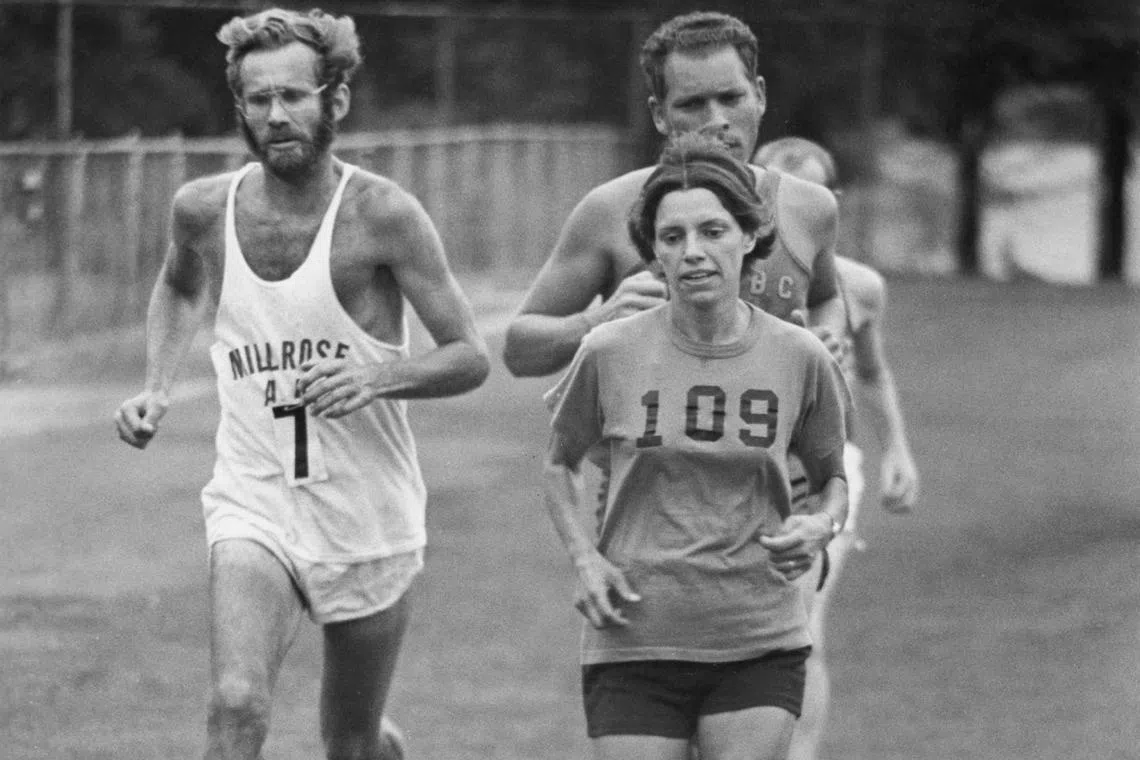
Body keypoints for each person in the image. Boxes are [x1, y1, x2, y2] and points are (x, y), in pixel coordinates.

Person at [113, 9, 490, 760]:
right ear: (240, 108)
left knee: (349, 741)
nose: (276, 116)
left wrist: (377, 377)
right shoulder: (202, 209)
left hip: (366, 513)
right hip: (255, 499)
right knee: (236, 704)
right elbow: (181, 285)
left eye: (293, 95)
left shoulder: (383, 216)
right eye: (258, 99)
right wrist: (157, 384)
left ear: (334, 100)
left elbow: (469, 356)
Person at [542, 134, 850, 760]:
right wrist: (585, 559)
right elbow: (557, 462)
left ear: (749, 236)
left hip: (759, 636)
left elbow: (832, 478)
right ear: (653, 255)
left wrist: (821, 525)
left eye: (713, 231)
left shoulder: (799, 355)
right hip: (633, 634)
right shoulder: (609, 351)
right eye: (672, 237)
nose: (693, 253)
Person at [502, 10, 847, 382]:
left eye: (731, 98)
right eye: (692, 104)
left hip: (773, 421)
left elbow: (827, 298)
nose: (716, 119)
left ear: (759, 96)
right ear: (659, 114)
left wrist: (827, 336)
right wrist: (597, 321)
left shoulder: (810, 207)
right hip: (644, 421)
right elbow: (519, 351)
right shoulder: (609, 209)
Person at [754, 136, 920, 760]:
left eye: (807, 194)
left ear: (831, 203)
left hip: (828, 471)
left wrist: (896, 450)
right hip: (739, 461)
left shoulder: (860, 286)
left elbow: (872, 373)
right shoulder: (731, 277)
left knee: (802, 631)